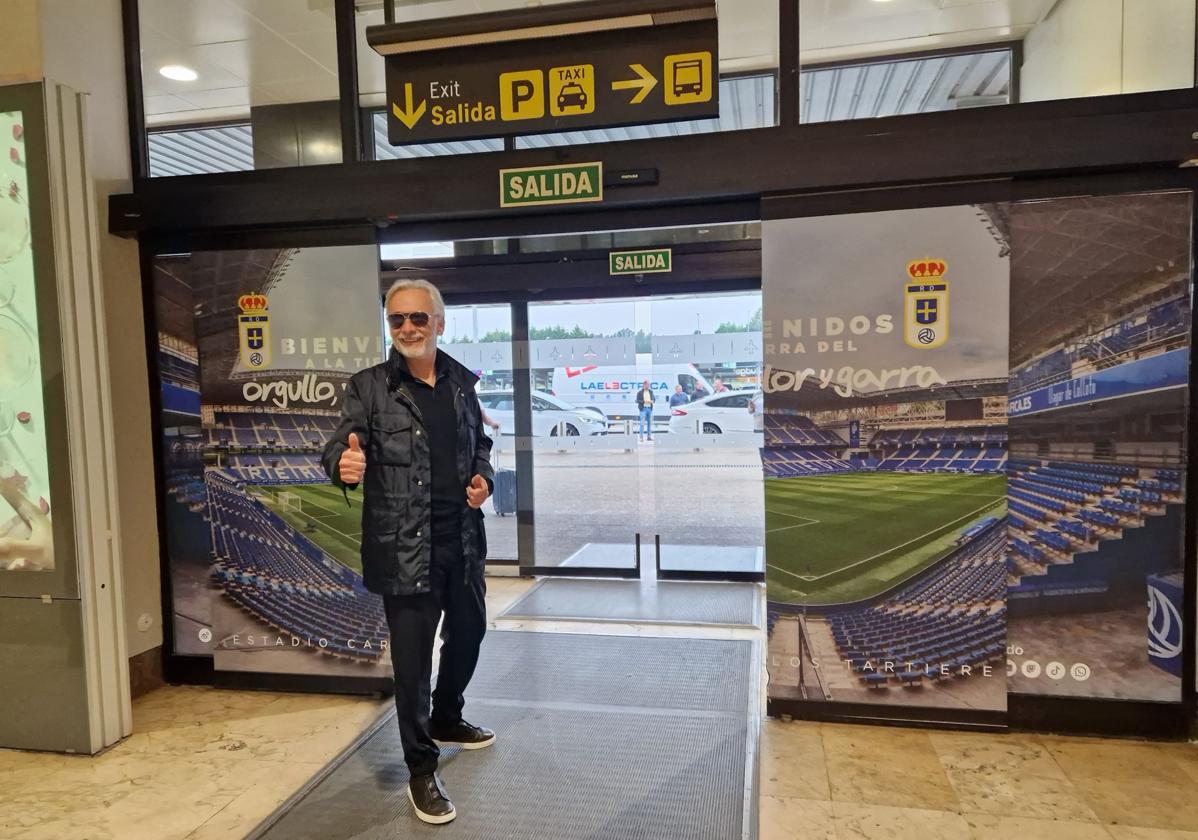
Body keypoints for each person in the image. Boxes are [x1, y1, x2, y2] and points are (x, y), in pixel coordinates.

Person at [321, 278, 495, 826]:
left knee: (470, 633)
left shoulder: (462, 385)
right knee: (413, 665)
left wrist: (483, 478)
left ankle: (447, 716)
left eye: (418, 318)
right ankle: (421, 768)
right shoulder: (370, 387)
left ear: (438, 323)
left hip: (462, 543)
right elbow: (339, 445)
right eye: (397, 320)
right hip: (404, 548)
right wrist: (340, 466)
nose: (407, 328)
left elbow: (481, 447)